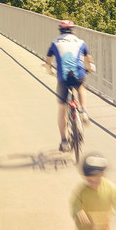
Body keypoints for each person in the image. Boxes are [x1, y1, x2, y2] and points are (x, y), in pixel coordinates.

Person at [45, 20, 93, 152]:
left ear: (60, 30)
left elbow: (48, 61)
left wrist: (49, 71)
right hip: (78, 75)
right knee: (81, 88)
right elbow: (89, 60)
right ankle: (83, 111)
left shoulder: (55, 42)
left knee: (62, 109)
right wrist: (88, 69)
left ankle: (64, 141)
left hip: (63, 79)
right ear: (72, 31)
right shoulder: (80, 42)